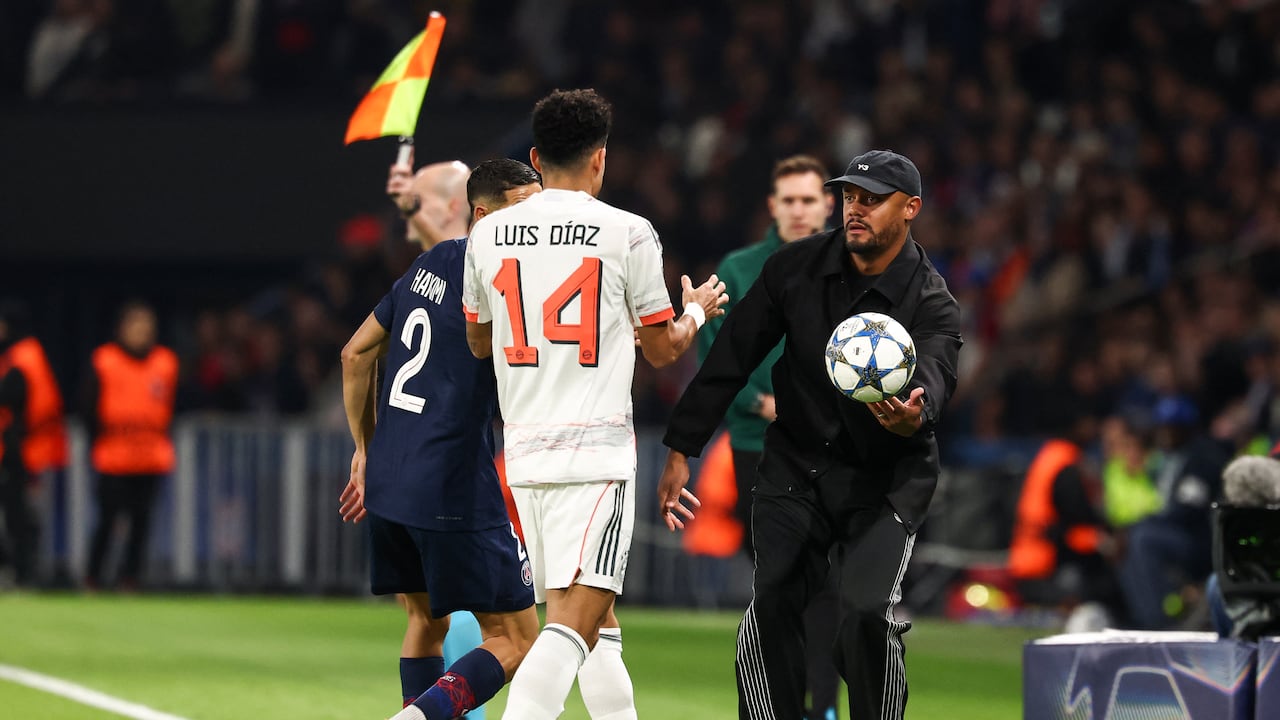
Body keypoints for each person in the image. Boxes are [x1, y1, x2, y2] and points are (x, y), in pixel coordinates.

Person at [658, 149, 962, 720]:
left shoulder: (931, 299)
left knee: (865, 613)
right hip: (795, 467)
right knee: (772, 601)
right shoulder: (792, 268)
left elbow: (939, 372)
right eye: (850, 196)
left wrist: (914, 413)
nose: (856, 208)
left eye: (873, 200)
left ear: (911, 208)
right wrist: (681, 447)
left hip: (885, 477)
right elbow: (732, 354)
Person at [462, 88, 727, 720]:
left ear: (535, 156)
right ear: (601, 159)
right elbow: (664, 351)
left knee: (596, 619)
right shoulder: (628, 232)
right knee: (572, 627)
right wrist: (694, 312)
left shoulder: (487, 233)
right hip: (595, 455)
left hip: (524, 455)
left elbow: (477, 339)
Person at [342, 158, 544, 720]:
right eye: (525, 210)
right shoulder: (507, 283)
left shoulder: (430, 261)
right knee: (516, 637)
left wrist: (364, 448)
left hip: (388, 480)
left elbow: (355, 354)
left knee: (424, 624)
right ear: (484, 215)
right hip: (453, 482)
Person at [697, 154, 841, 720]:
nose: (801, 210)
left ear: (828, 205)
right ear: (773, 206)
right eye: (791, 200)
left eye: (810, 200)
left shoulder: (852, 265)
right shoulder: (738, 269)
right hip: (760, 448)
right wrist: (763, 402)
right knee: (779, 584)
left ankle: (823, 707)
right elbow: (716, 354)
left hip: (834, 448)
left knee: (829, 583)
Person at [384, 152, 490, 711]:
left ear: (455, 206)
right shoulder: (446, 266)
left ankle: (439, 710)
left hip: (420, 456)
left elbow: (357, 353)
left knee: (438, 610)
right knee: (470, 605)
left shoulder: (455, 261)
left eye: (418, 202)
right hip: (449, 456)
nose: (408, 214)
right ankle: (449, 711)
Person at [84, 300, 178, 590]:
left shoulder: (165, 362)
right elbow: (87, 407)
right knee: (108, 519)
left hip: (151, 455)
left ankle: (130, 579)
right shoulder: (105, 360)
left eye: (147, 326)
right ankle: (94, 578)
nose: (141, 331)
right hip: (114, 454)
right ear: (121, 329)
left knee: (142, 522)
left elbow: (173, 405)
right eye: (136, 325)